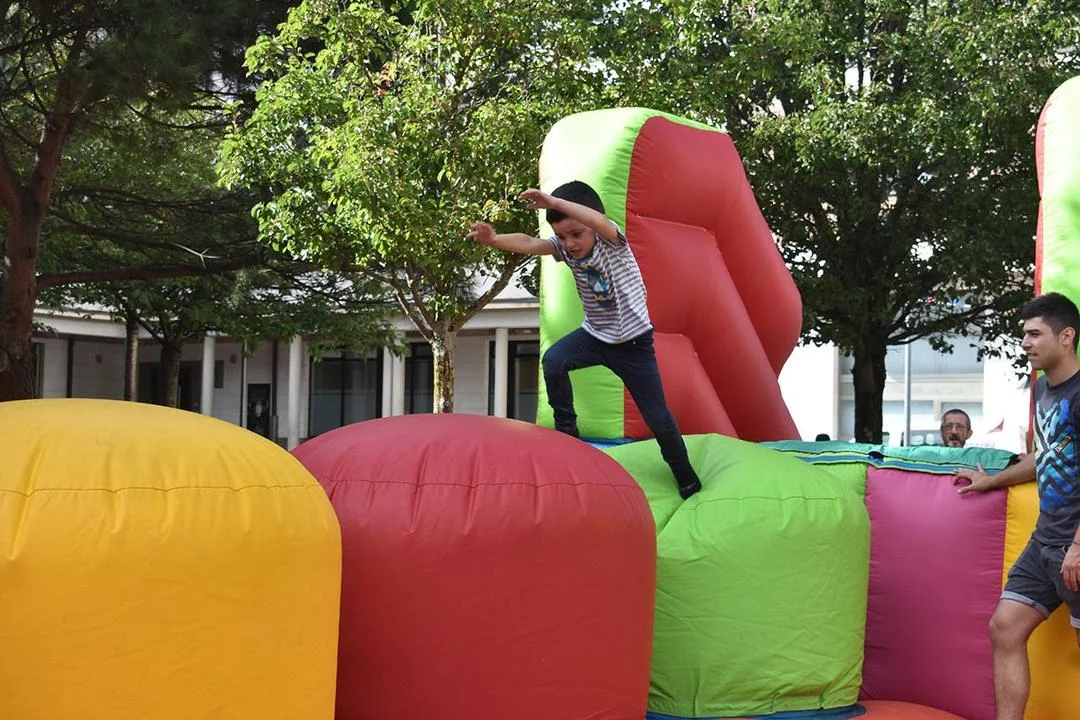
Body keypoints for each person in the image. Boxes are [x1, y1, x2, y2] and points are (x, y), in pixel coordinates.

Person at [468, 181, 703, 499]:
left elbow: (596, 220)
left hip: (634, 344)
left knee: (657, 418)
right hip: (595, 336)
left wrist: (554, 202)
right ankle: (567, 432)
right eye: (563, 236)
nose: (570, 243)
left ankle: (686, 476)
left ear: (591, 224)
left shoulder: (611, 241)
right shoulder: (566, 248)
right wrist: (494, 239)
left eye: (576, 234)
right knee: (553, 361)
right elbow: (530, 242)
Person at [954, 292, 1080, 720]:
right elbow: (1045, 455)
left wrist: (1078, 546)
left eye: (1034, 334)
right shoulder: (1042, 389)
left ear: (1066, 336)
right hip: (1045, 543)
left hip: (1075, 545)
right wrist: (991, 481)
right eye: (1024, 334)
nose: (1024, 342)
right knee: (1004, 628)